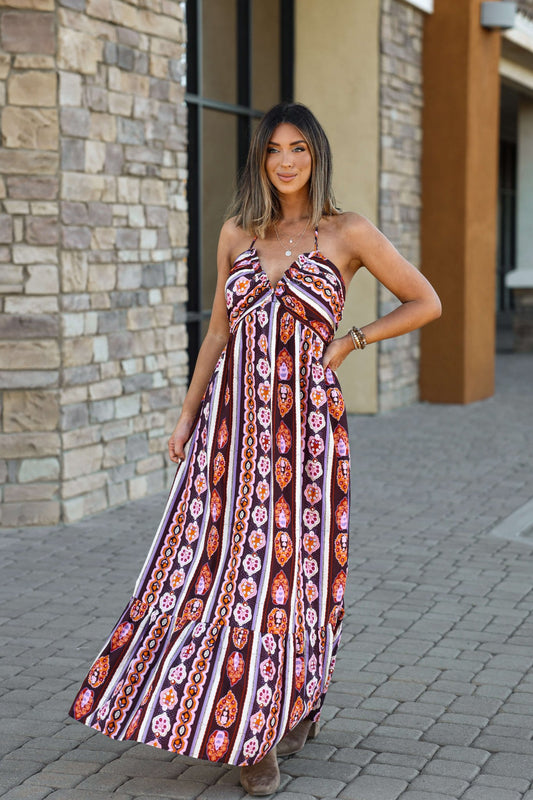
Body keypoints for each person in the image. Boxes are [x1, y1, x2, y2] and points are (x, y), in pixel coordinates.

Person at [69, 102, 441, 796]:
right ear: (259, 160)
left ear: (315, 154)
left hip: (306, 437)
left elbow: (425, 301)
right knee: (212, 572)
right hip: (230, 433)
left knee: (291, 575)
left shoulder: (348, 231)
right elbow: (217, 332)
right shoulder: (238, 231)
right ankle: (249, 723)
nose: (286, 161)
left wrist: (351, 342)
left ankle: (278, 714)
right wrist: (186, 417)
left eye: (298, 147)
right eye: (273, 149)